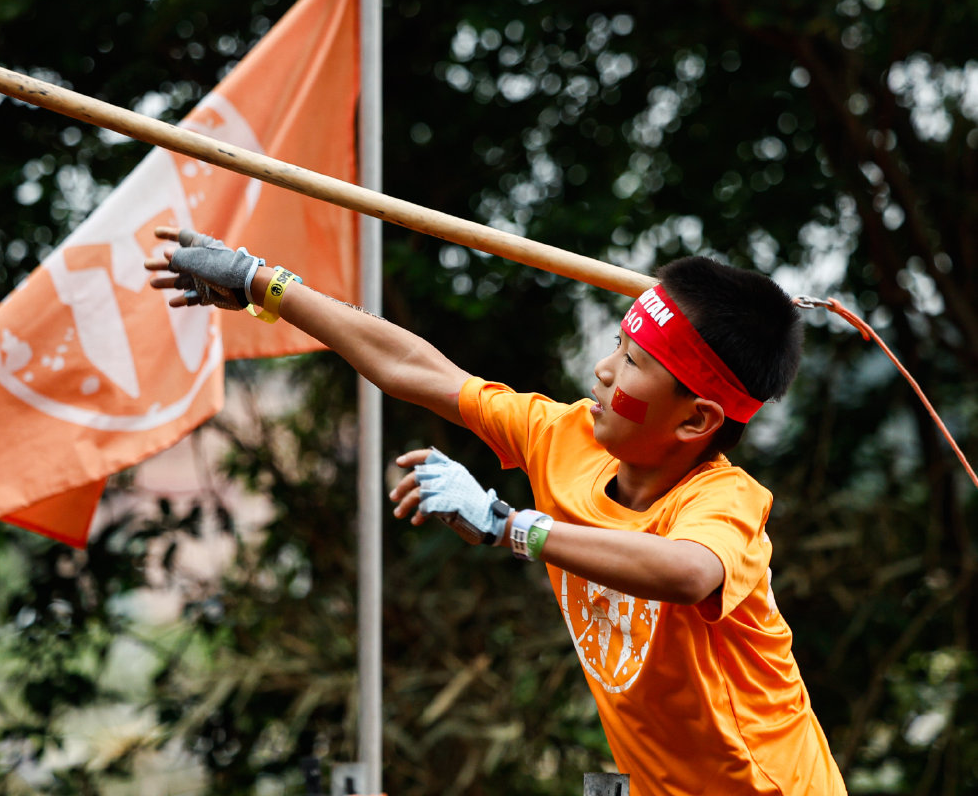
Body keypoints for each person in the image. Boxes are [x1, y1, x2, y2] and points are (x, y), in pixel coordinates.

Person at [145, 226, 846, 795]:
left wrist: (512, 526)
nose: (603, 371)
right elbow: (418, 371)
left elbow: (689, 572)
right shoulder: (564, 438)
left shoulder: (724, 500)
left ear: (696, 422)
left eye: (632, 363)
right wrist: (265, 283)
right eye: (616, 347)